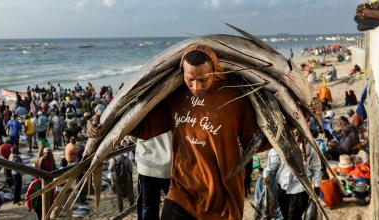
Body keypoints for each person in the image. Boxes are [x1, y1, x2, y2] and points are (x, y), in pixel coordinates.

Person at [88, 45, 271, 219]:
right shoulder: (176, 96)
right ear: (182, 72)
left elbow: (254, 141)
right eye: (190, 79)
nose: (196, 86)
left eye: (203, 79)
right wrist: (105, 127)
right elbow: (146, 127)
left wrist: (285, 133)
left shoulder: (235, 96)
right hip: (181, 192)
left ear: (215, 70)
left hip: (223, 199)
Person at [263, 128, 321, 220]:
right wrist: (266, 173)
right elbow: (272, 163)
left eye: (299, 135)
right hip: (282, 187)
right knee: (285, 216)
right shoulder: (282, 141)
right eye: (294, 135)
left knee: (293, 217)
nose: (296, 138)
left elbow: (316, 166)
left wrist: (317, 184)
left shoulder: (310, 145)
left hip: (301, 190)